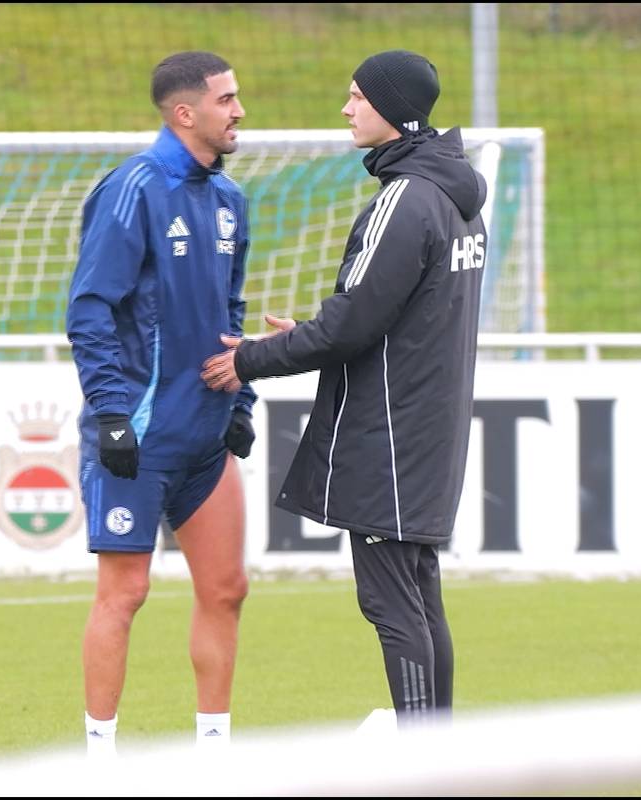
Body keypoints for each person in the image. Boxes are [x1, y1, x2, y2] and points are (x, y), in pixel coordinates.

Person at [201, 50, 488, 726]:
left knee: (392, 602)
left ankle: (425, 764)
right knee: (418, 594)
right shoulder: (456, 197)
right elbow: (397, 316)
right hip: (425, 423)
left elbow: (350, 326)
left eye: (357, 96)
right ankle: (440, 751)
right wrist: (316, 327)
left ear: (392, 106)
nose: (346, 108)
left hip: (391, 427)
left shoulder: (407, 198)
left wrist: (253, 359)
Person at [67, 50, 257, 757]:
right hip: (138, 436)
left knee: (228, 588)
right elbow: (90, 308)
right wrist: (111, 411)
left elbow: (231, 307)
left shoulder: (231, 199)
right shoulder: (132, 189)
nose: (239, 111)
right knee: (125, 593)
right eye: (227, 100)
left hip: (205, 435)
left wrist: (245, 395)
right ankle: (100, 759)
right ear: (185, 113)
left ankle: (213, 754)